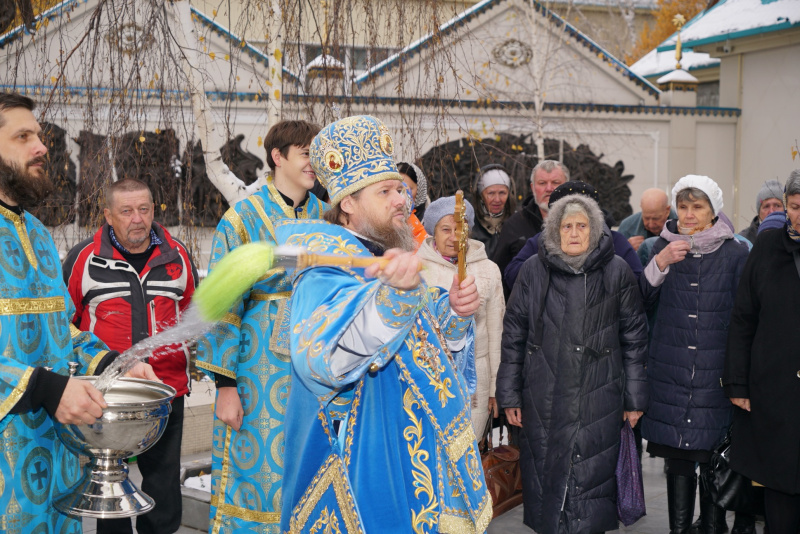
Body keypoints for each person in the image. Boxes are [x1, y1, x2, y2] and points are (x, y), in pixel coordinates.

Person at [275, 115, 491, 533]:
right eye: (387, 191)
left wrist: (456, 314)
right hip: (361, 470)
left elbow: (424, 347)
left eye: (401, 190)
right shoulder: (324, 270)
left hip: (408, 463)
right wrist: (395, 299)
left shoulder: (381, 257)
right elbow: (326, 363)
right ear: (349, 204)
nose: (402, 201)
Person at [0, 91, 156, 532]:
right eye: (23, 136)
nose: (42, 147)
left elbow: (60, 331)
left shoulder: (36, 232)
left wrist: (115, 364)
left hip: (55, 462)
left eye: (39, 135)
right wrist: (46, 389)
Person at [196, 120, 326, 533]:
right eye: (306, 153)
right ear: (278, 157)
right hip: (257, 373)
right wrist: (224, 387)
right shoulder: (242, 219)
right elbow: (222, 308)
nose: (313, 163)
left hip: (315, 372)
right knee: (257, 473)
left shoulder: (327, 218)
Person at [496, 192, 648, 534]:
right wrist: (509, 396)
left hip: (601, 396)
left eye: (582, 226)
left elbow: (635, 339)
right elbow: (513, 336)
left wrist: (635, 401)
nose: (575, 233)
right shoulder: (534, 271)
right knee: (547, 486)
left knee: (591, 483)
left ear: (594, 230)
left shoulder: (616, 271)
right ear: (554, 230)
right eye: (567, 226)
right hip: (542, 396)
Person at [63, 178, 199, 534]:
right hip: (109, 392)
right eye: (126, 211)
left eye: (144, 209)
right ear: (108, 215)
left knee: (163, 481)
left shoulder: (178, 255)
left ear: (154, 209)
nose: (137, 218)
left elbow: (191, 313)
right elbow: (65, 322)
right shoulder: (83, 259)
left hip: (166, 390)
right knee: (110, 481)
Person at [639, 175, 749, 534]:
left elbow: (745, 316)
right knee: (679, 461)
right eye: (683, 206)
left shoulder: (734, 253)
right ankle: (680, 530)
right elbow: (638, 301)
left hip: (713, 376)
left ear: (713, 211)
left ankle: (713, 527)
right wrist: (660, 262)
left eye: (697, 207)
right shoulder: (661, 246)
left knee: (712, 458)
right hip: (671, 373)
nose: (688, 215)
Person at [725, 169, 800, 534]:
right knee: (780, 487)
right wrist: (738, 384)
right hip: (775, 391)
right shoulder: (768, 247)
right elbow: (743, 317)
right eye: (796, 207)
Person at [417, 196, 504, 435]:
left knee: (470, 450)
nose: (454, 237)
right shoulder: (416, 269)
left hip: (477, 381)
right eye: (446, 229)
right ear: (433, 231)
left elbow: (497, 331)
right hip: (430, 377)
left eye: (460, 229)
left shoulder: (489, 270)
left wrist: (496, 388)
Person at [504, 180, 643, 290]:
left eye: (582, 223)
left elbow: (636, 285)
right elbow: (512, 276)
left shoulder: (615, 241)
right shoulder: (541, 242)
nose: (574, 232)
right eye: (567, 223)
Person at [493, 160, 568, 297]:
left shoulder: (584, 225)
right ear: (533, 187)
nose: (549, 188)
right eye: (542, 183)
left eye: (556, 183)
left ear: (567, 186)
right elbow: (498, 277)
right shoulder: (514, 226)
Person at [618, 188, 677, 265]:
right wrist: (626, 249)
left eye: (656, 218)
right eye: (646, 218)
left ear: (667, 211)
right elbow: (614, 263)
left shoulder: (682, 225)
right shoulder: (627, 227)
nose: (651, 224)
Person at [471, 164, 514, 259]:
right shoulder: (470, 225)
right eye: (491, 193)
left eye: (502, 193)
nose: (497, 199)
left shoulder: (517, 223)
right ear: (480, 194)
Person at [738, 179, 783, 243]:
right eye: (766, 206)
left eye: (777, 206)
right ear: (759, 213)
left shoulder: (794, 238)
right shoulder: (744, 241)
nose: (771, 211)